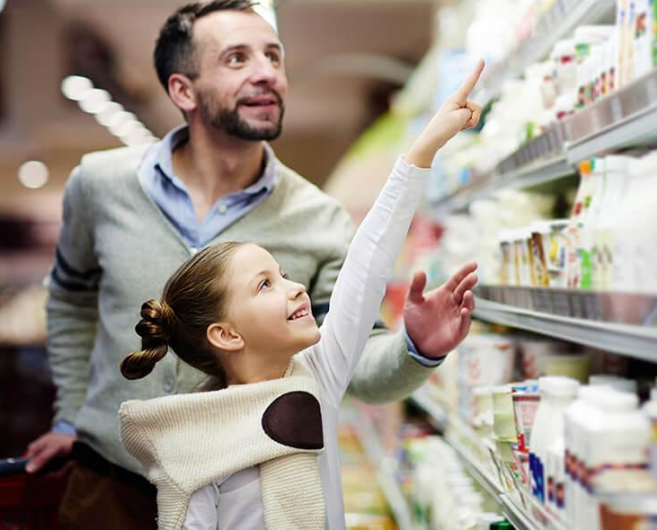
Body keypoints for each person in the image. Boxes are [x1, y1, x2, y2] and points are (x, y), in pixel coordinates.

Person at [23, 0, 483, 530]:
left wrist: (415, 349)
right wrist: (68, 416)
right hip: (105, 478)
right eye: (238, 58)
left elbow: (364, 289)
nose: (267, 73)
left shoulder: (318, 226)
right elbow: (70, 301)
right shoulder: (97, 186)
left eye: (274, 55)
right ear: (183, 89)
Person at [117, 63, 483, 529]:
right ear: (226, 334)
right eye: (265, 285)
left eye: (283, 273)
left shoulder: (316, 376)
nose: (294, 288)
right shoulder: (195, 444)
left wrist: (424, 148)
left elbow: (367, 263)